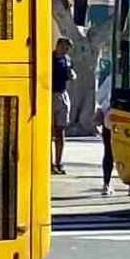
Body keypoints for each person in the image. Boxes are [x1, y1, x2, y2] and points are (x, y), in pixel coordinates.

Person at [51, 39, 72, 175]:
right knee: (50, 131)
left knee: (61, 130)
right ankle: (49, 162)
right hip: (51, 95)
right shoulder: (49, 58)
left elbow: (70, 73)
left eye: (67, 49)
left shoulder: (67, 60)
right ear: (58, 46)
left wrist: (71, 75)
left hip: (62, 94)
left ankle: (59, 161)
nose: (65, 51)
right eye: (64, 48)